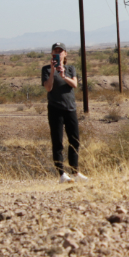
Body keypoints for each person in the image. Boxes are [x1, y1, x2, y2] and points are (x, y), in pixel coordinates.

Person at [41, 43, 88, 183]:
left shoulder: (70, 69)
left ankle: (75, 172)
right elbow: (48, 88)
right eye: (55, 51)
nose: (58, 53)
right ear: (51, 54)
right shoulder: (46, 69)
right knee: (57, 141)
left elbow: (74, 84)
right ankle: (61, 174)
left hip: (70, 108)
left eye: (60, 51)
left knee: (74, 140)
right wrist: (52, 71)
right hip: (55, 108)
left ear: (65, 54)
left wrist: (63, 75)